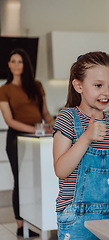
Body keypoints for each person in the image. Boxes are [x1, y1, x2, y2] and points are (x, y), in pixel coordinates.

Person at [53, 51, 109, 239]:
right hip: (77, 216)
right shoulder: (67, 118)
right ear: (78, 86)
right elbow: (61, 170)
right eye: (98, 85)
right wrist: (86, 138)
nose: (106, 92)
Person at [0, 48, 53, 236]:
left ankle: (39, 218)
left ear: (25, 65)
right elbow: (9, 120)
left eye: (20, 61)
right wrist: (36, 129)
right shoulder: (4, 90)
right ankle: (21, 223)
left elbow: (45, 114)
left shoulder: (37, 86)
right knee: (21, 180)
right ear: (8, 64)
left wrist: (55, 126)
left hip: (39, 137)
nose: (16, 64)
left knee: (39, 180)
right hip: (17, 138)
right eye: (13, 61)